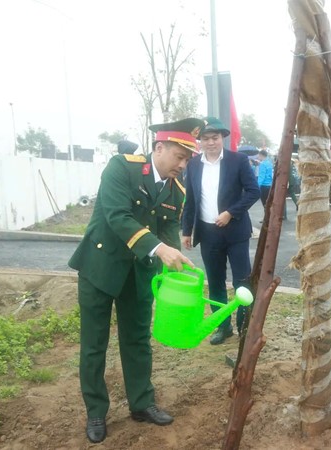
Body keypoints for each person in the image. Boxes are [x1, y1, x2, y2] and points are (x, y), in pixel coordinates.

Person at [68, 118, 203, 443]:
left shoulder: (176, 189)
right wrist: (158, 248)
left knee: (137, 340)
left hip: (139, 273)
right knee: (94, 344)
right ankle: (97, 411)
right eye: (179, 156)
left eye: (187, 159)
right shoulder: (121, 168)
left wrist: (174, 265)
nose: (182, 165)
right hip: (100, 267)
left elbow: (168, 231)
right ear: (159, 147)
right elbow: (117, 215)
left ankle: (141, 403)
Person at [181, 117, 259, 345]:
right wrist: (187, 230)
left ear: (222, 138)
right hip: (208, 233)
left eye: (214, 138)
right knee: (215, 283)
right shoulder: (194, 165)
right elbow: (191, 199)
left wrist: (230, 213)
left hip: (235, 232)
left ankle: (245, 327)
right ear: (200, 142)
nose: (211, 142)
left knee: (241, 282)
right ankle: (222, 327)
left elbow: (253, 191)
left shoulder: (238, 161)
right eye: (205, 139)